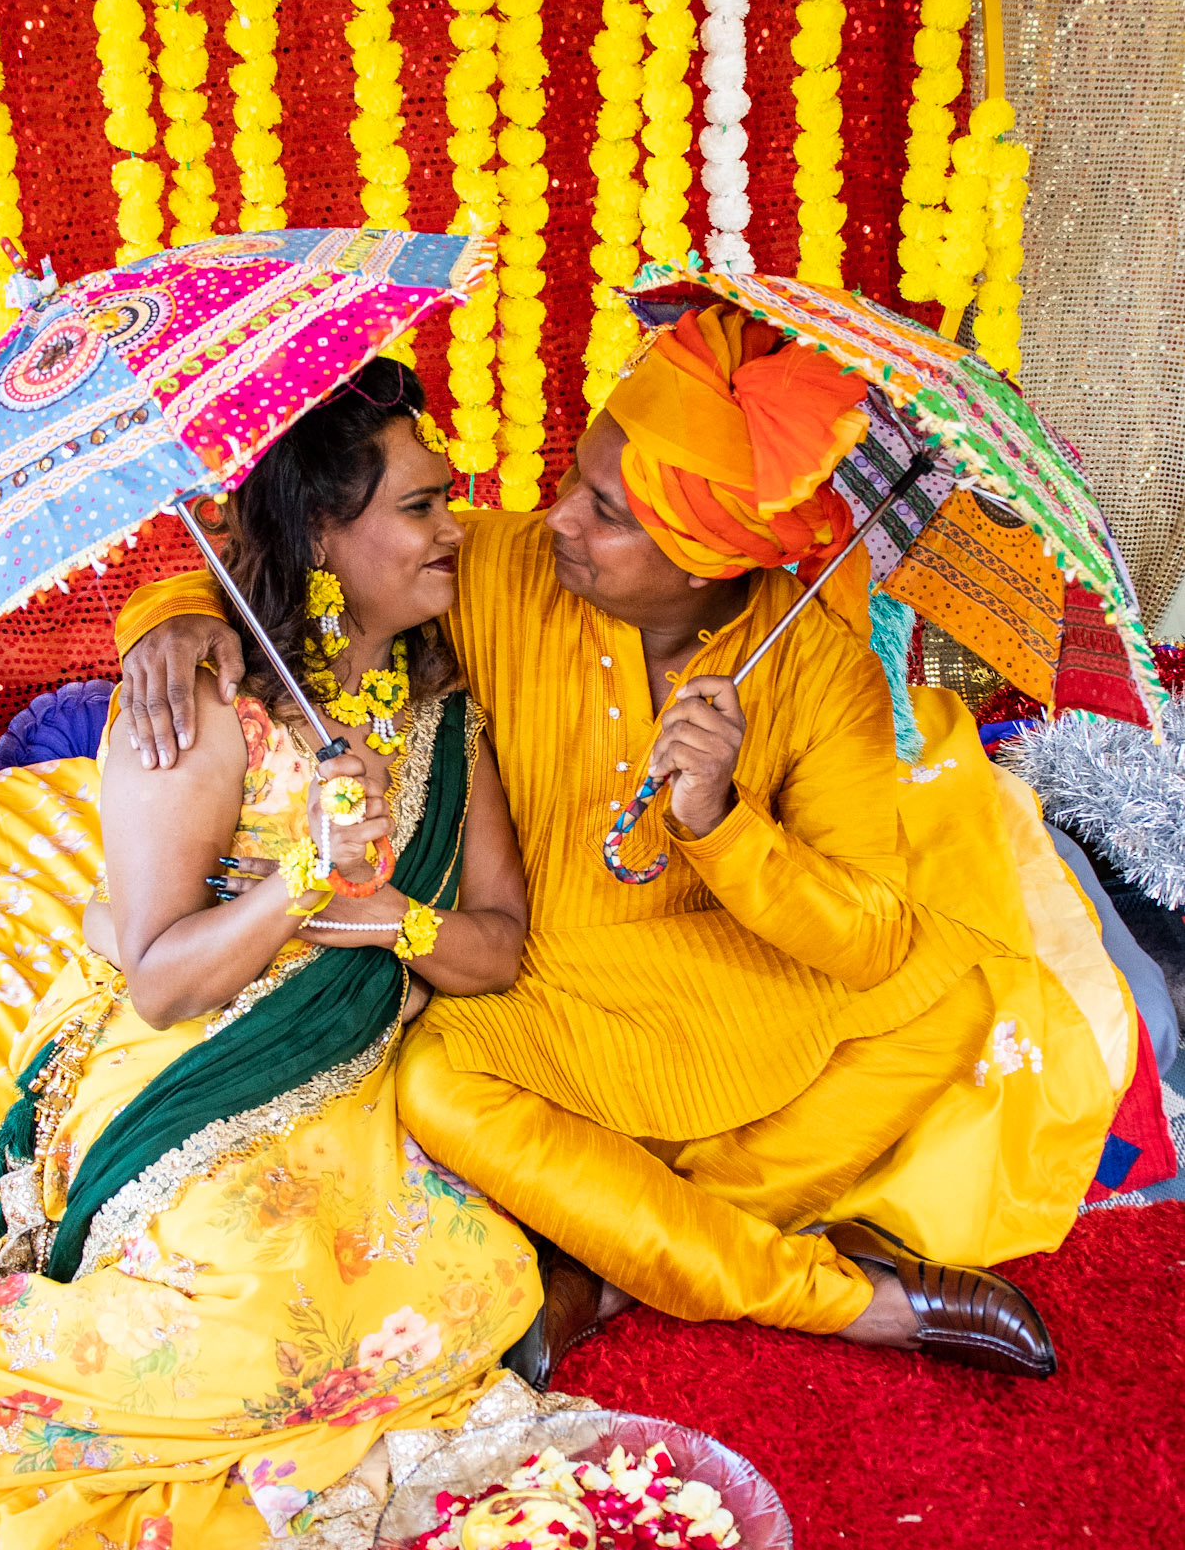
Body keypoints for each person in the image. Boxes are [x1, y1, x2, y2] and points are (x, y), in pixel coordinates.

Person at [115, 300, 1146, 1383]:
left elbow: (866, 942)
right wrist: (172, 618)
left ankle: (609, 1263)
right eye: (574, 481)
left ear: (703, 560)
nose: (557, 516)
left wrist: (721, 822)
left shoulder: (816, 665)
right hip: (538, 983)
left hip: (719, 984)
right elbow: (314, 568)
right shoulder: (501, 566)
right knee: (440, 1086)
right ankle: (840, 1298)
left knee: (946, 1002)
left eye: (604, 511)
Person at [0, 360, 540, 1550]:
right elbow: (157, 977)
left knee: (475, 1277)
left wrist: (386, 913)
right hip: (191, 1057)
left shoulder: (444, 721)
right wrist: (304, 877)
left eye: (447, 499)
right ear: (322, 536)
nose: (454, 530)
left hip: (347, 1068)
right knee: (249, 1330)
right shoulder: (203, 703)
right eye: (422, 507)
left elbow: (496, 945)